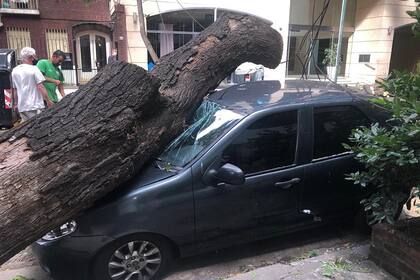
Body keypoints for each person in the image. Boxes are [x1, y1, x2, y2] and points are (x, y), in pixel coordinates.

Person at [11, 47, 52, 122]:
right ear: (31, 57)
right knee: (37, 128)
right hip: (34, 105)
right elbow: (41, 87)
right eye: (34, 57)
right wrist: (48, 101)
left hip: (22, 106)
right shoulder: (34, 69)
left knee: (26, 128)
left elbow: (15, 90)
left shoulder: (15, 70)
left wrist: (15, 104)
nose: (34, 59)